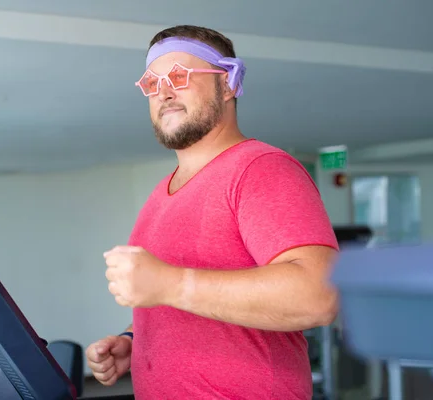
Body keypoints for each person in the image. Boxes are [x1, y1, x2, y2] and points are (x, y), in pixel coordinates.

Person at [86, 25, 339, 400]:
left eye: (178, 76)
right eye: (151, 84)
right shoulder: (163, 191)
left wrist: (170, 284)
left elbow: (320, 295)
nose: (164, 92)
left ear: (229, 84)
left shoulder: (260, 169)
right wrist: (134, 339)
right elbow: (186, 300)